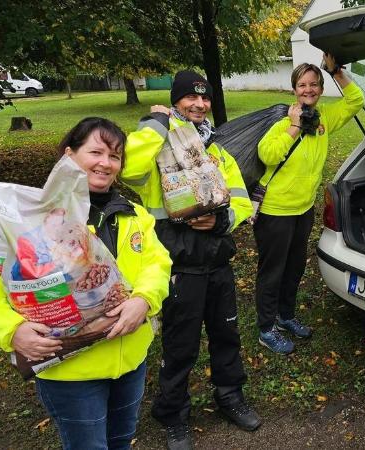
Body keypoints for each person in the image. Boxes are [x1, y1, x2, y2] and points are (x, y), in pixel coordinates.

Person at [0, 117, 173, 449]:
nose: (105, 163)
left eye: (115, 156)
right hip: (71, 371)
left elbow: (157, 262)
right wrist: (11, 330)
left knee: (121, 441)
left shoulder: (133, 214)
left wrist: (144, 300)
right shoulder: (34, 219)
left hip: (130, 361)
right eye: (96, 152)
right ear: (69, 155)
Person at [121, 70, 259, 449]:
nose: (199, 104)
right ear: (176, 101)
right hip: (178, 266)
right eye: (189, 98)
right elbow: (128, 169)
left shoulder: (216, 150)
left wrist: (219, 221)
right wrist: (156, 123)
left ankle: (229, 396)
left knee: (226, 335)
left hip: (217, 263)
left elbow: (242, 201)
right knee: (180, 346)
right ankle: (174, 414)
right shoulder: (157, 145)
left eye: (205, 98)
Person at [254, 54, 364, 354]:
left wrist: (336, 71)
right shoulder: (281, 119)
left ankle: (285, 315)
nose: (309, 89)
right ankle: (266, 328)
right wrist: (292, 126)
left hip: (303, 209)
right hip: (275, 210)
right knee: (272, 270)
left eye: (314, 84)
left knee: (294, 267)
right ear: (294, 89)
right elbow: (268, 155)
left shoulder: (324, 118)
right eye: (302, 85)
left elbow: (356, 101)